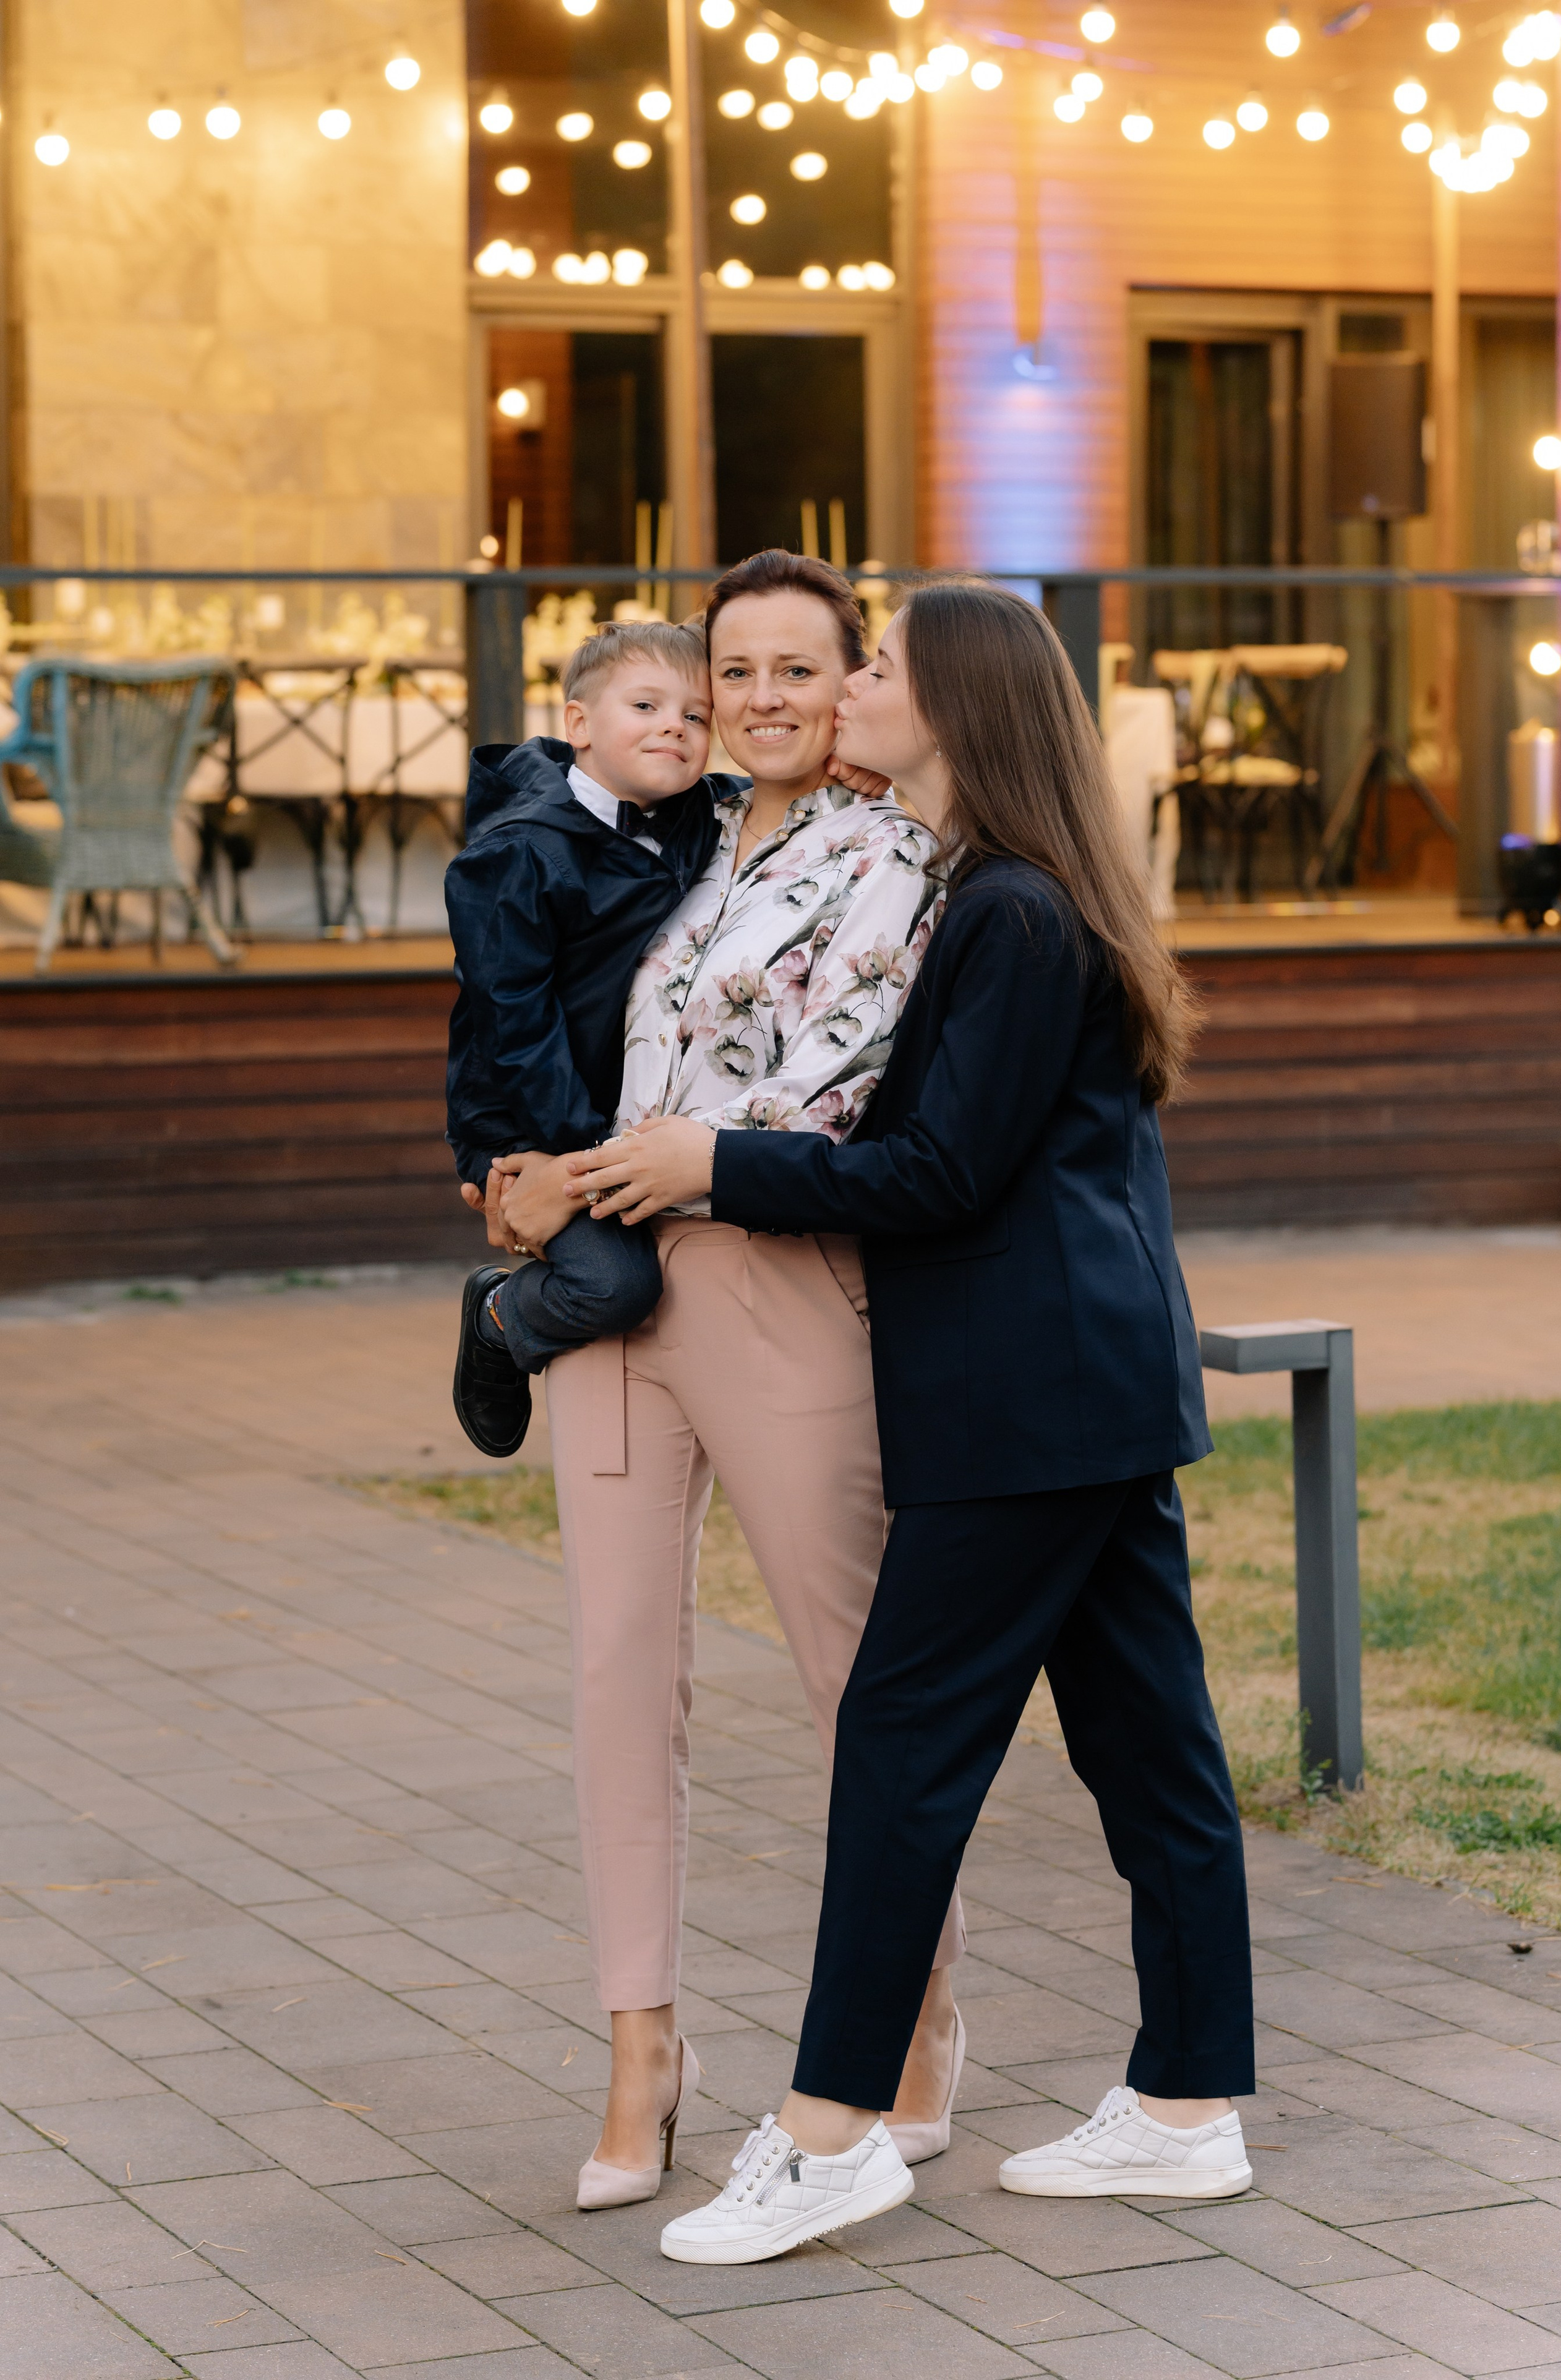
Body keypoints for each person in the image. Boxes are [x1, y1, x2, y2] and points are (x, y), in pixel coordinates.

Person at [564, 580, 1257, 2267]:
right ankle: (1185, 2108)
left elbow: (942, 1173)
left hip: (1028, 1396)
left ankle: (829, 2136)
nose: (848, 686)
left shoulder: (1013, 915)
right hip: (1081, 1385)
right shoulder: (999, 897)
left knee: (898, 1749)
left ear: (954, 703)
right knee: (1150, 1748)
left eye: (874, 666)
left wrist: (713, 1163)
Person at [491, 550, 967, 2213]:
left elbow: (827, 1090)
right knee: (621, 1674)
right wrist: (514, 1165)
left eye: (797, 668)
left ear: (851, 686)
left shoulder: (895, 860)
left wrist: (604, 1170)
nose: (761, 696)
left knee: (861, 1678)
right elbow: (538, 1018)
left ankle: (909, 2010)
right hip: (606, 1298)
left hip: (774, 1289)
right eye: (735, 669)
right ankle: (644, 2049)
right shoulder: (653, 843)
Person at [444, 619, 737, 1458]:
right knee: (616, 1282)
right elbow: (516, 1022)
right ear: (579, 725)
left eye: (694, 715)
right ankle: (502, 1316)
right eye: (645, 705)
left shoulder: (691, 815)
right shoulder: (518, 857)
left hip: (619, 1116)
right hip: (528, 1119)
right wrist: (581, 1162)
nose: (673, 728)